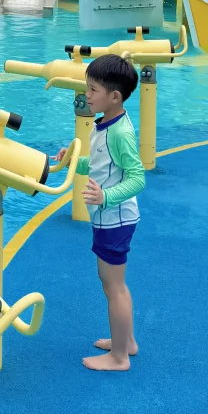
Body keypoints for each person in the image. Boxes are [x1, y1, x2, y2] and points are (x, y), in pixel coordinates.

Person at [56, 54, 145, 373]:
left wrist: (105, 196)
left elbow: (137, 178)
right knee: (113, 285)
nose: (87, 95)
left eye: (93, 89)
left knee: (113, 287)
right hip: (109, 219)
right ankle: (126, 342)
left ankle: (119, 357)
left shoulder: (119, 132)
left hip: (115, 220)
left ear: (114, 96)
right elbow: (100, 165)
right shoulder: (106, 122)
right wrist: (74, 162)